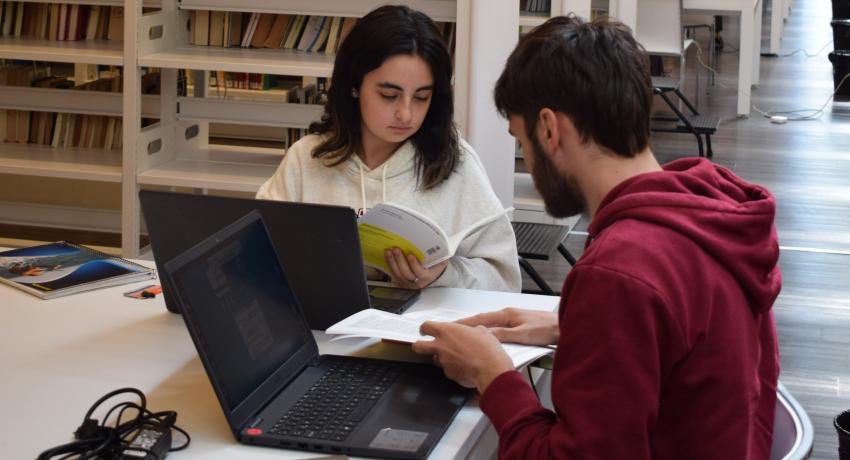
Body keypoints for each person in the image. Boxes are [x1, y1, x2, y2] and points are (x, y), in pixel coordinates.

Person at [412, 15, 781, 459]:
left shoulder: (620, 270)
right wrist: (572, 328)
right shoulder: (708, 213)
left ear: (549, 128)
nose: (527, 161)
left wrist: (492, 374)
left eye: (522, 141)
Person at [257, 5, 520, 292]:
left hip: (423, 330)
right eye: (389, 95)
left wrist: (445, 275)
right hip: (325, 327)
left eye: (421, 97)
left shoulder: (456, 164)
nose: (405, 114)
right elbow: (256, 253)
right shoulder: (306, 159)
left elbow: (506, 281)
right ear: (354, 85)